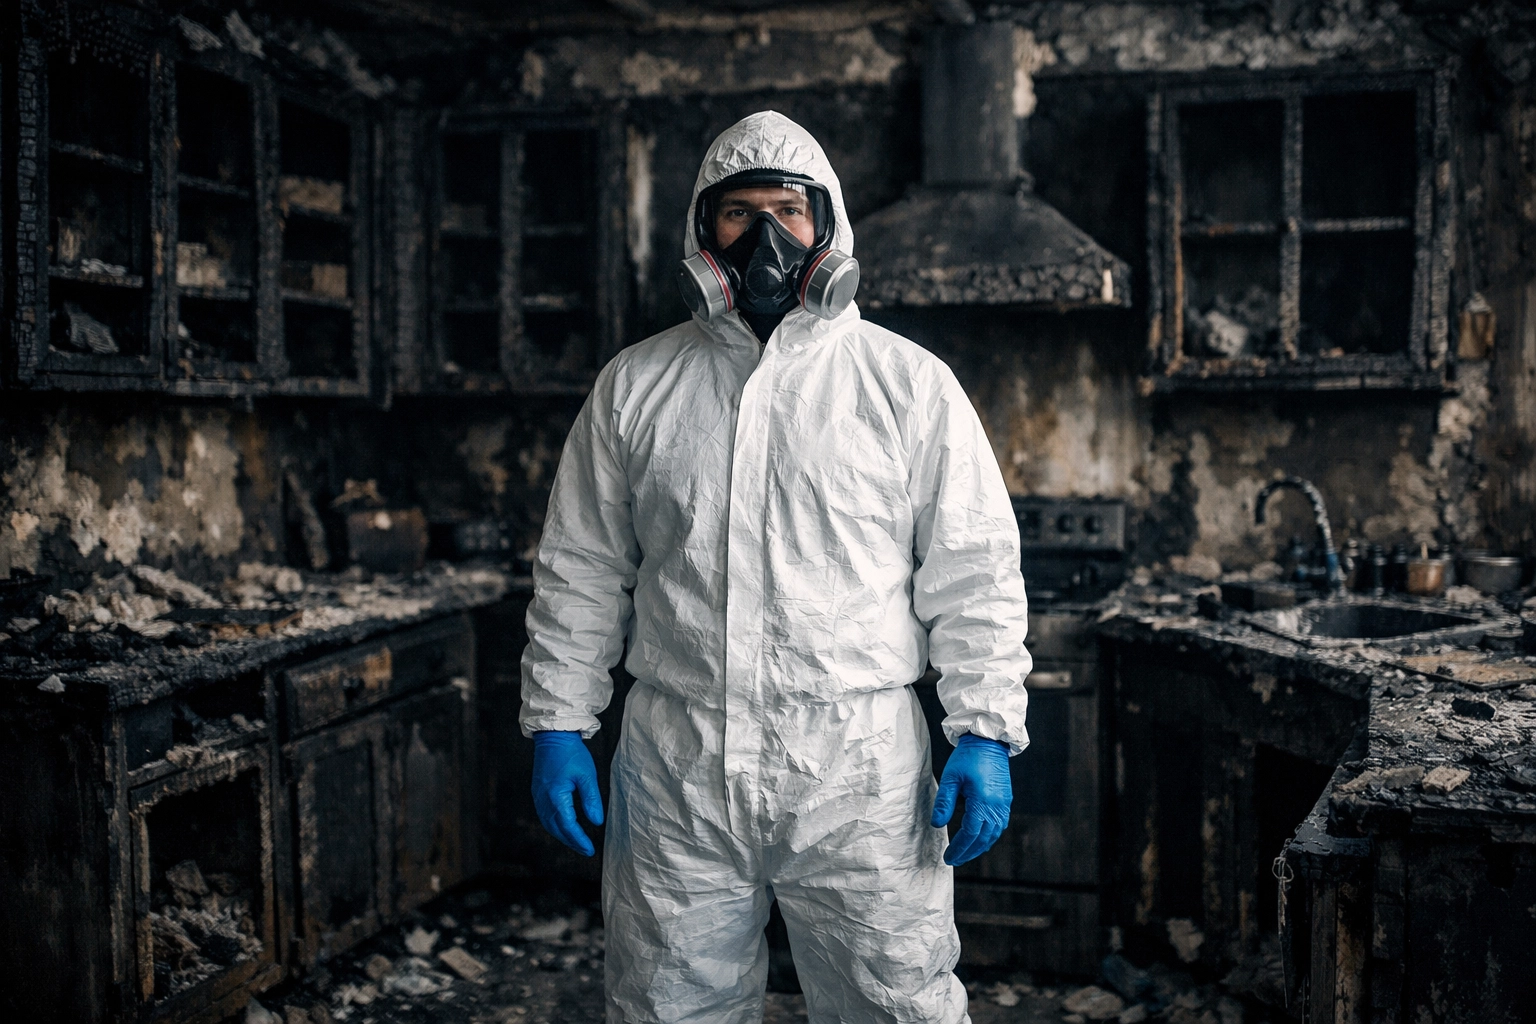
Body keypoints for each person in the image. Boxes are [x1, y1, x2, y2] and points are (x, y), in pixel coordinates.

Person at [520, 110, 1031, 1024]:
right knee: (668, 1006)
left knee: (893, 1003)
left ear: (827, 226)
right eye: (738, 213)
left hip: (858, 768)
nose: (766, 236)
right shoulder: (636, 385)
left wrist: (984, 731)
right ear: (703, 231)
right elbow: (582, 567)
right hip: (678, 760)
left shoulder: (905, 383)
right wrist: (559, 721)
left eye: (789, 210)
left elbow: (974, 570)